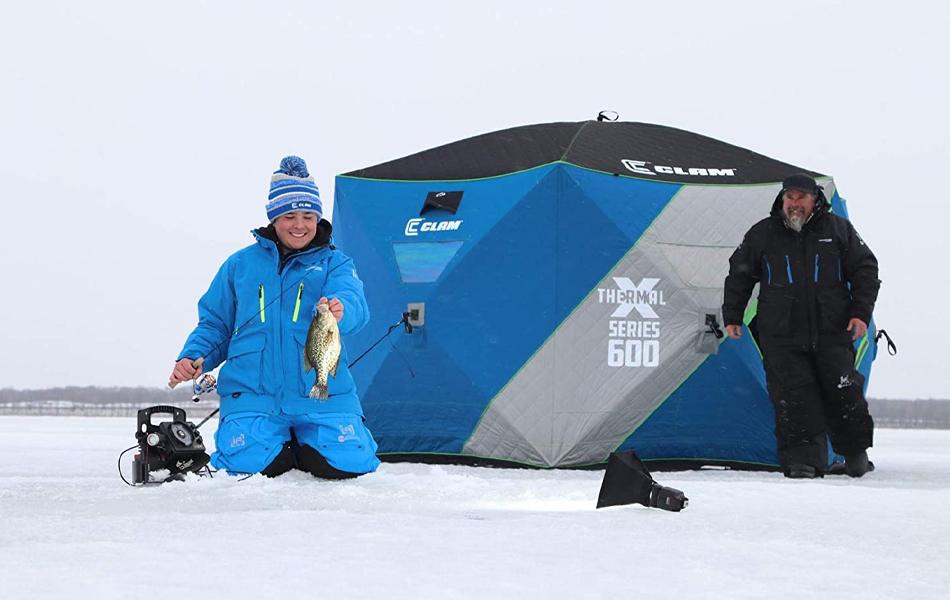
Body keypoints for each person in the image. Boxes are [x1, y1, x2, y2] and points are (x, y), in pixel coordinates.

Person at [168, 156, 380, 479]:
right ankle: (284, 444)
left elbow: (355, 303)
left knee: (350, 464)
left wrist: (342, 309)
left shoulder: (335, 263)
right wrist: (194, 356)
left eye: (308, 215)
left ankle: (304, 442)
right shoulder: (239, 265)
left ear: (318, 217)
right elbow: (215, 323)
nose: (300, 225)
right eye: (289, 216)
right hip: (254, 399)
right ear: (273, 218)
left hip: (323, 399)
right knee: (247, 467)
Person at [722, 173, 880, 479]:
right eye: (789, 198)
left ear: (815, 199)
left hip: (833, 331)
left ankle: (855, 454)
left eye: (801, 198)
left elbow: (865, 269)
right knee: (793, 398)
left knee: (844, 392)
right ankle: (802, 462)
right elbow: (740, 274)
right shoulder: (763, 233)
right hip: (781, 335)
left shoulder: (838, 230)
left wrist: (860, 313)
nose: (795, 204)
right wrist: (733, 315)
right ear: (782, 200)